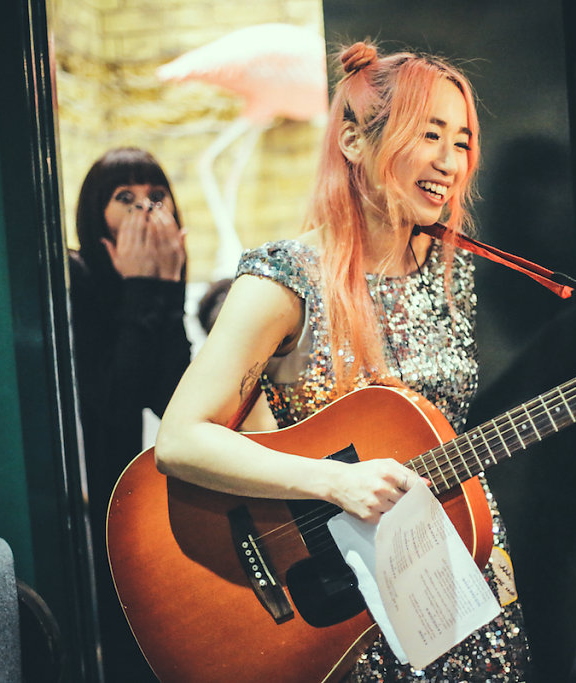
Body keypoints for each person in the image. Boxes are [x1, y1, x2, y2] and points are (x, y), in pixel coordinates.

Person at [155, 42, 531, 681]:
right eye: (427, 134)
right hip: (343, 596)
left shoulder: (453, 274)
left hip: (457, 566)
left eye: (463, 141)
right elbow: (180, 441)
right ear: (353, 142)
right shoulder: (284, 279)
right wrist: (333, 483)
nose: (449, 160)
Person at [68, 147, 191, 680]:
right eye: (126, 198)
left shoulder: (156, 279)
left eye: (156, 196)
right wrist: (141, 288)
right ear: (97, 213)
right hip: (85, 507)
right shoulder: (71, 278)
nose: (145, 209)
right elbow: (114, 404)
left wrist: (161, 291)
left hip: (145, 504)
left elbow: (176, 403)